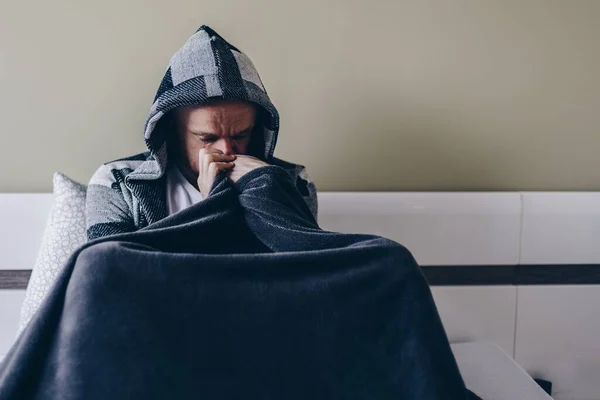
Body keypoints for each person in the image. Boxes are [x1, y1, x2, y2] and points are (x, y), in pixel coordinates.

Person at [85, 25, 318, 240]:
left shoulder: (293, 183)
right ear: (172, 130)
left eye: (240, 135)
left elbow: (303, 274)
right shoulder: (116, 182)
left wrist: (268, 194)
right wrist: (212, 208)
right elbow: (109, 272)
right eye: (207, 138)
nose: (227, 149)